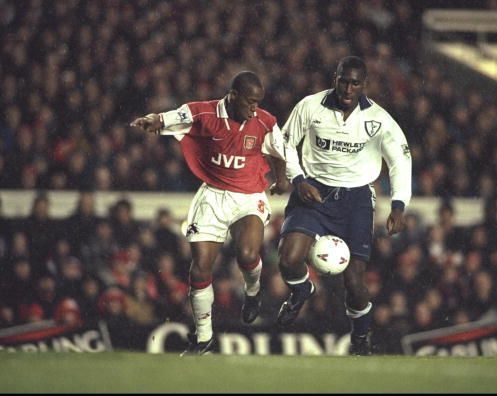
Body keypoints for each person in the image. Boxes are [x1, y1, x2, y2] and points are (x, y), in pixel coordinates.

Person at [130, 71, 289, 355]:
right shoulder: (203, 113)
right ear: (233, 96)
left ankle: (253, 293)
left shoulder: (264, 121)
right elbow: (171, 118)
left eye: (258, 103)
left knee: (248, 255)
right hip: (212, 196)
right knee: (201, 267)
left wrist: (282, 180)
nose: (254, 108)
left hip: (249, 196)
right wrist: (153, 120)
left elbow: (278, 151)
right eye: (250, 102)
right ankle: (204, 338)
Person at [275, 56, 412, 355]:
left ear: (365, 85)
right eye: (343, 80)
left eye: (355, 83)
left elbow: (400, 160)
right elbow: (284, 142)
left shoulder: (379, 120)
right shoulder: (310, 107)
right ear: (334, 78)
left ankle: (361, 338)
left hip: (357, 199)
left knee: (354, 281)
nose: (348, 88)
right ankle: (301, 290)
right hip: (313, 189)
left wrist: (399, 204)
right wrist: (298, 180)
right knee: (287, 258)